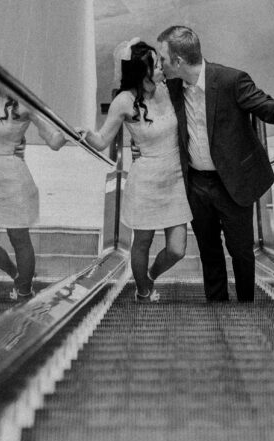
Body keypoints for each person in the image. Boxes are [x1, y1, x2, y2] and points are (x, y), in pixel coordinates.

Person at [156, 25, 274, 303]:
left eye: (163, 58)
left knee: (241, 249)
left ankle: (246, 304)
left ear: (179, 61)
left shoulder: (230, 80)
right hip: (196, 183)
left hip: (232, 181)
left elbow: (268, 106)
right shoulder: (171, 87)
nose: (160, 64)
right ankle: (218, 307)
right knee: (209, 250)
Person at [82, 39, 191, 302]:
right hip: (146, 180)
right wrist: (83, 134)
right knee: (142, 242)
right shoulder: (124, 101)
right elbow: (102, 141)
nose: (161, 67)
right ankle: (143, 292)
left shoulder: (170, 88)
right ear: (141, 72)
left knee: (177, 249)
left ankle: (150, 275)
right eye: (155, 65)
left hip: (175, 178)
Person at [0, 81, 67, 301]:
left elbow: (53, 140)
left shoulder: (25, 102)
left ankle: (24, 290)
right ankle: (15, 273)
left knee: (19, 238)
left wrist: (70, 134)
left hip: (11, 176)